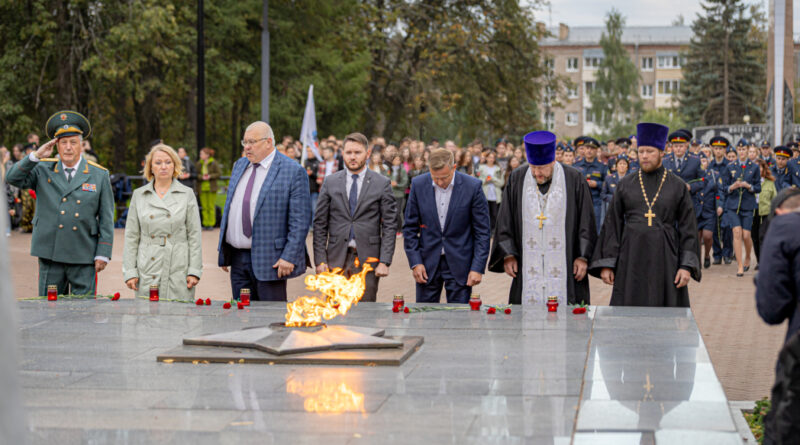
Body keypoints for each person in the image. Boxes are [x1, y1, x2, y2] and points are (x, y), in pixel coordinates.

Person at [590, 122, 701, 307]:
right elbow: (612, 224)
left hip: (666, 258)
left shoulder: (677, 185)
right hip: (631, 257)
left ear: (662, 152)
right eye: (641, 151)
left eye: (650, 151)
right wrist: (608, 263)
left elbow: (688, 227)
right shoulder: (625, 184)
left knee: (665, 313)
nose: (644, 156)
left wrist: (686, 266)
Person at [6, 111, 114, 296]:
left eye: (73, 142)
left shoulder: (98, 175)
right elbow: (12, 178)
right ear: (56, 146)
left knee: (84, 312)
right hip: (50, 252)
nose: (69, 148)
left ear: (82, 145)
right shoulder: (42, 168)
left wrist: (103, 252)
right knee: (49, 311)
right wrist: (35, 156)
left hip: (83, 251)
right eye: (63, 143)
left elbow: (106, 217)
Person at [489, 131, 596, 305]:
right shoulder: (518, 178)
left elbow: (586, 221)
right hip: (527, 262)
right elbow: (505, 219)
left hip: (566, 263)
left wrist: (582, 256)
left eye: (543, 168)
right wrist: (508, 254)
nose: (537, 173)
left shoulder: (573, 179)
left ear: (553, 161)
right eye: (534, 167)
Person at [217, 121, 311, 302]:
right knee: (242, 317)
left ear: (269, 142)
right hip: (237, 258)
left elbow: (300, 220)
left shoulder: (292, 171)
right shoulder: (240, 165)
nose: (247, 147)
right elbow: (232, 206)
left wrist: (289, 256)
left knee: (271, 319)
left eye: (252, 142)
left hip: (271, 260)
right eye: (245, 142)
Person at [312, 132, 397, 302]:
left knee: (365, 315)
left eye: (357, 152)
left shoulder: (381, 183)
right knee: (335, 312)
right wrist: (320, 259)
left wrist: (385, 261)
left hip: (368, 259)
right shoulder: (330, 182)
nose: (353, 157)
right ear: (342, 153)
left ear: (367, 153)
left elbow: (389, 225)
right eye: (349, 152)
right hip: (335, 259)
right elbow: (320, 224)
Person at [403, 148, 490, 303]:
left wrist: (477, 267)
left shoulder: (472, 187)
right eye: (435, 178)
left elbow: (482, 232)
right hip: (427, 263)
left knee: (459, 319)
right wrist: (415, 262)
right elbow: (409, 228)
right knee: (424, 317)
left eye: (444, 177)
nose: (440, 182)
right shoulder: (418, 184)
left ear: (454, 168)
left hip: (460, 262)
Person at [122, 144, 202, 299]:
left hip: (178, 265)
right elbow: (131, 236)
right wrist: (130, 271)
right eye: (158, 163)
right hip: (147, 265)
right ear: (150, 167)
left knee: (179, 316)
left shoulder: (187, 194)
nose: (163, 167)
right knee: (146, 318)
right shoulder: (139, 195)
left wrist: (194, 270)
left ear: (175, 165)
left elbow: (194, 235)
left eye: (168, 162)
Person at [722, 138, 760, 277]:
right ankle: (739, 265)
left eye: (744, 149)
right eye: (740, 149)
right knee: (737, 233)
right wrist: (732, 187)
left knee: (746, 235)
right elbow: (724, 187)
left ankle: (748, 256)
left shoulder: (754, 167)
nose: (742, 152)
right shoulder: (730, 166)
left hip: (748, 205)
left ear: (748, 150)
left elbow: (758, 188)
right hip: (732, 205)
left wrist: (748, 186)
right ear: (737, 150)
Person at [663, 130, 704, 225]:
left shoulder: (695, 160)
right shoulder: (665, 161)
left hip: (689, 202)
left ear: (686, 146)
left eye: (681, 146)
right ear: (672, 147)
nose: (678, 149)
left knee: (687, 232)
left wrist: (690, 187)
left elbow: (702, 181)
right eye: (676, 146)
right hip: (670, 202)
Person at [573, 136, 606, 232]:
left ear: (596, 151)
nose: (589, 151)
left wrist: (597, 184)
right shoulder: (576, 165)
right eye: (587, 148)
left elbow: (607, 184)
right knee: (579, 228)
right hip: (580, 201)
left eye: (592, 148)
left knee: (595, 229)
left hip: (596, 202)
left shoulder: (602, 166)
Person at [708, 137, 733, 264]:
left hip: (728, 200)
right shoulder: (709, 166)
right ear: (712, 149)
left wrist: (723, 204)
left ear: (725, 150)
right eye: (716, 148)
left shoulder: (730, 165)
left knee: (727, 227)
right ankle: (717, 254)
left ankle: (727, 253)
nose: (718, 151)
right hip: (713, 200)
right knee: (714, 229)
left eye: (720, 149)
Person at [697, 155, 722, 269]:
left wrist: (719, 205)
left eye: (704, 160)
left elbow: (718, 193)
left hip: (709, 210)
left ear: (708, 162)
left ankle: (707, 255)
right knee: (696, 237)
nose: (702, 163)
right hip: (696, 210)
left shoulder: (714, 175)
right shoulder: (694, 174)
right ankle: (697, 260)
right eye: (700, 161)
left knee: (707, 236)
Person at [752, 159, 776, 266]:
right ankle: (759, 260)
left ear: (764, 169)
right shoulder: (750, 182)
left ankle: (763, 262)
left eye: (760, 167)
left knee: (762, 236)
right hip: (753, 212)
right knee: (755, 238)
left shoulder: (770, 183)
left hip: (766, 212)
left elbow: (774, 198)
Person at [476, 150, 505, 232]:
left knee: (495, 213)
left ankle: (494, 230)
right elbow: (478, 181)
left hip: (495, 195)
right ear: (486, 158)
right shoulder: (481, 168)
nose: (491, 159)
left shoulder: (498, 169)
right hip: (485, 193)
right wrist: (486, 180)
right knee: (485, 213)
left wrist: (493, 179)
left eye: (493, 157)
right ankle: (486, 229)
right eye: (489, 157)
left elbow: (501, 183)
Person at [196, 147, 221, 230]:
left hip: (211, 188)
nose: (200, 155)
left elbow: (218, 173)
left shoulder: (213, 162)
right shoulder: (199, 163)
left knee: (211, 207)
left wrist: (210, 176)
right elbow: (196, 174)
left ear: (207, 155)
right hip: (202, 188)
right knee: (204, 207)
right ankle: (205, 224)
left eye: (202, 154)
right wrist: (202, 177)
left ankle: (211, 224)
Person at [386, 154, 408, 232]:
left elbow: (405, 183)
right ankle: (393, 228)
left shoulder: (402, 170)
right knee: (390, 212)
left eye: (398, 160)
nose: (397, 161)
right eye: (395, 160)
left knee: (399, 212)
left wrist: (397, 185)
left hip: (399, 194)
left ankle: (402, 228)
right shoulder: (389, 170)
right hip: (390, 194)